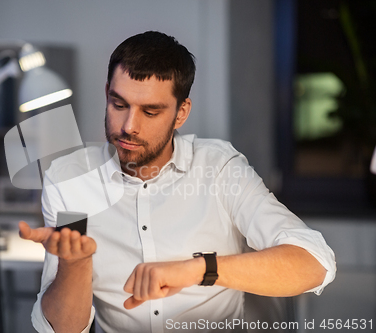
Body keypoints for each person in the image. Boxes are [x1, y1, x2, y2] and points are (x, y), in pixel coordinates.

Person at [19, 31, 336, 333]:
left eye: (151, 112)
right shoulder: (71, 180)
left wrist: (199, 269)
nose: (129, 126)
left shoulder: (219, 169)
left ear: (181, 112)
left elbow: (314, 262)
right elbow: (64, 328)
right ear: (107, 94)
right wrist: (75, 264)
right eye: (119, 105)